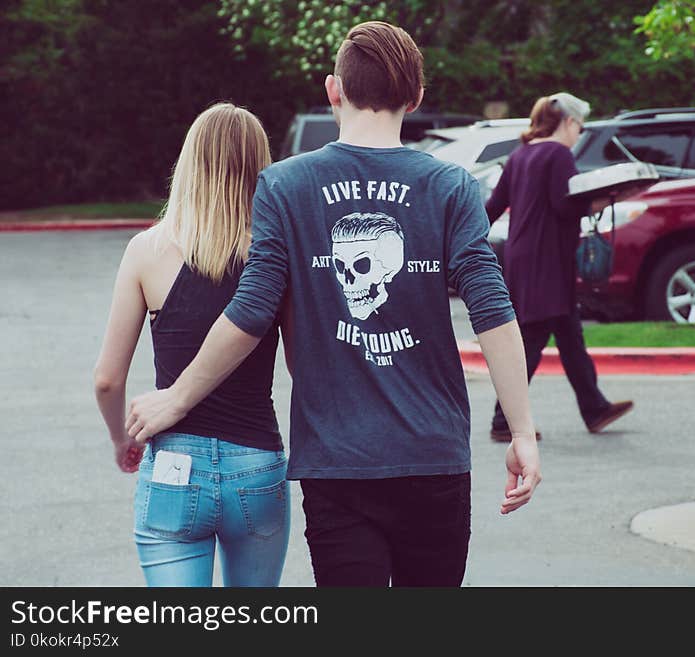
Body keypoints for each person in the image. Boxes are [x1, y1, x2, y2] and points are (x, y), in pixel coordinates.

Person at [123, 21, 541, 587]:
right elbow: (492, 310)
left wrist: (177, 398)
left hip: (336, 463)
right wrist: (520, 430)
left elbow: (251, 311)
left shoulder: (285, 186)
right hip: (434, 456)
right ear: (415, 97)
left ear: (333, 89)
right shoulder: (451, 187)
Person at [94, 103, 291, 586]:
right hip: (257, 466)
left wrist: (123, 439)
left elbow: (107, 379)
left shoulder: (148, 250)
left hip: (175, 465)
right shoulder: (272, 253)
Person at [485, 92, 634, 442]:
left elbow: (493, 206)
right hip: (548, 263)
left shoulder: (520, 155)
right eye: (579, 127)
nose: (579, 135)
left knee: (570, 337)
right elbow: (564, 207)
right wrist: (603, 201)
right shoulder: (557, 154)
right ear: (568, 122)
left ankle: (595, 407)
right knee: (533, 340)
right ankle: (502, 421)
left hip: (525, 260)